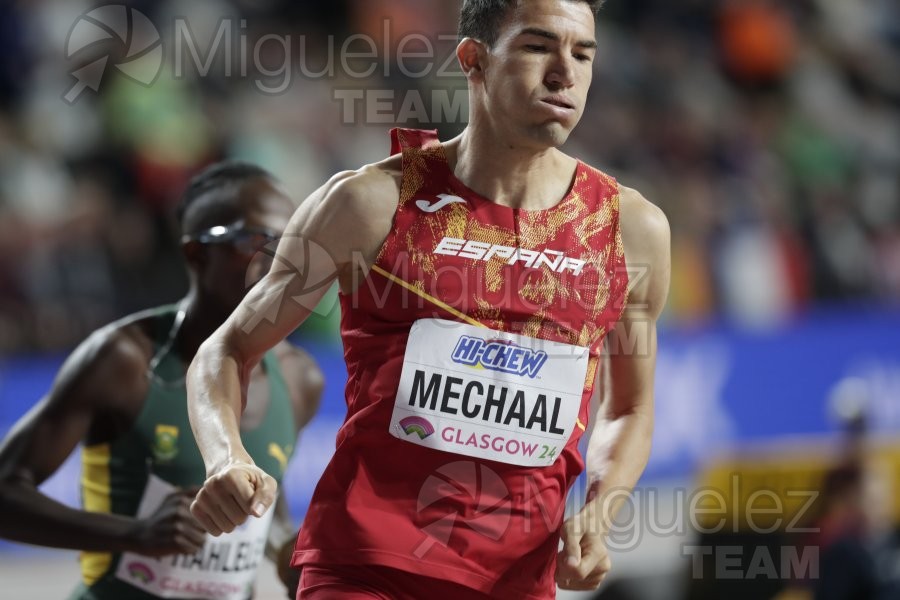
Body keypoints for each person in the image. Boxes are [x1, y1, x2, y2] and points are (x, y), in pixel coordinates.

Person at [187, 1, 670, 598]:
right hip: (363, 569)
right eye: (538, 47)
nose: (564, 73)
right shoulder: (369, 204)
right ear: (473, 59)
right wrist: (225, 457)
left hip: (517, 581)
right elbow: (228, 348)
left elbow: (628, 409)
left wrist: (599, 513)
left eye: (582, 54)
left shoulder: (632, 231)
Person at [0, 162, 323, 600]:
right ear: (196, 254)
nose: (277, 259)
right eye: (255, 239)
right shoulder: (124, 360)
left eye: (290, 242)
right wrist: (135, 534)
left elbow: (265, 491)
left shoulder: (300, 378)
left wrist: (284, 545)